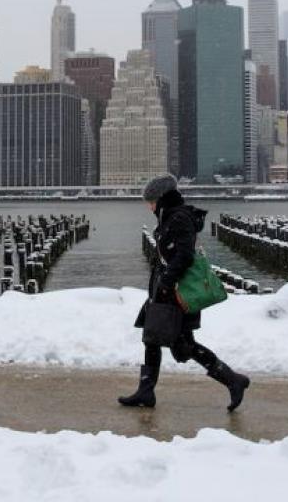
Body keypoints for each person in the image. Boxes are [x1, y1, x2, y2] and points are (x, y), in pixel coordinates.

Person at [118, 174, 250, 411]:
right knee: (152, 339)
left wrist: (167, 282)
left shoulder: (179, 218)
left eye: (150, 201)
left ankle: (233, 380)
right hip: (163, 292)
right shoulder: (170, 216)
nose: (148, 206)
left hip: (175, 294)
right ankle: (146, 392)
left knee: (184, 345)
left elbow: (185, 255)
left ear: (161, 199)